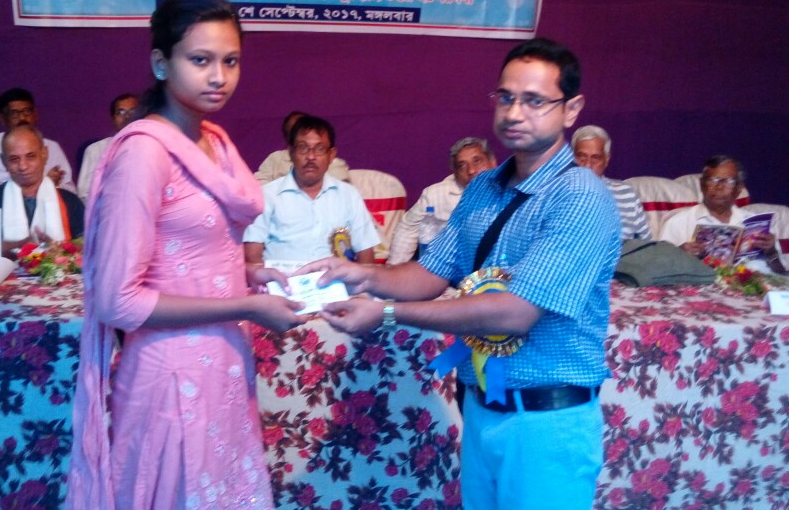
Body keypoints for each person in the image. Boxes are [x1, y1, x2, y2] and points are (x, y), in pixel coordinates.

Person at [301, 38, 620, 510]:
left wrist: (386, 313)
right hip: (483, 407)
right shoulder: (485, 187)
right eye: (506, 97)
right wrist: (360, 275)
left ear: (570, 109)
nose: (515, 113)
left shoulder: (580, 196)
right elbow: (429, 273)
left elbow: (515, 313)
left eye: (535, 101)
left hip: (546, 421)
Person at [66, 0, 304, 510]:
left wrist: (248, 278)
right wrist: (245, 305)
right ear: (160, 63)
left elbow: (196, 254)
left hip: (221, 365)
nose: (219, 76)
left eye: (230, 61)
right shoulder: (145, 154)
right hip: (171, 379)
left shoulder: (213, 141)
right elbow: (118, 301)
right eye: (200, 60)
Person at [244, 114, 380, 265]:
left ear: (331, 155)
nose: (311, 156)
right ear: (290, 152)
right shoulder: (267, 195)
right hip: (282, 279)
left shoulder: (348, 195)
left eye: (320, 149)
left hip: (337, 279)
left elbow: (365, 253)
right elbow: (252, 255)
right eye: (303, 148)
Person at [658, 155, 786, 273]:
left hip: (751, 288)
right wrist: (678, 255)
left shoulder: (756, 224)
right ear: (702, 185)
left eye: (728, 182)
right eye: (712, 180)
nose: (719, 187)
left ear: (739, 188)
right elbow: (656, 270)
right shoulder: (678, 223)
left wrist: (771, 253)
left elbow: (781, 273)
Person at [0, 126, 84, 257]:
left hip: (59, 269)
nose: (23, 166)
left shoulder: (69, 201)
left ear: (44, 155)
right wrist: (25, 245)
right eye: (14, 159)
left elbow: (87, 245)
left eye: (30, 156)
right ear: (4, 161)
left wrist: (59, 249)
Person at [388, 137, 496, 263]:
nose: (471, 170)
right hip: (449, 266)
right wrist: (395, 268)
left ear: (493, 162)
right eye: (462, 166)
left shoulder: (510, 191)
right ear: (455, 173)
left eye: (477, 161)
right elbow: (407, 228)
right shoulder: (435, 195)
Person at [0, 88, 75, 205]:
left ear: (35, 114)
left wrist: (49, 188)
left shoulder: (52, 147)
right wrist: (33, 188)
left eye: (26, 111)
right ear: (2, 118)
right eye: (14, 114)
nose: (22, 118)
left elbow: (71, 192)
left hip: (48, 209)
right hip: (0, 210)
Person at [571, 125, 651, 241]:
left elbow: (648, 245)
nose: (588, 165)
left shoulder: (626, 194)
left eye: (595, 158)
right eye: (582, 157)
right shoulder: (556, 194)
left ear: (606, 160)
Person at [253, 110, 350, 184]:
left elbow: (341, 189)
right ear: (287, 139)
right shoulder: (275, 158)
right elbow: (257, 186)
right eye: (294, 132)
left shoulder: (332, 162)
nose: (311, 156)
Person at [76, 93, 140, 201]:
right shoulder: (95, 150)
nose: (127, 117)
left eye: (133, 111)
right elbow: (84, 193)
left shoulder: (152, 148)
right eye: (121, 112)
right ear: (113, 118)